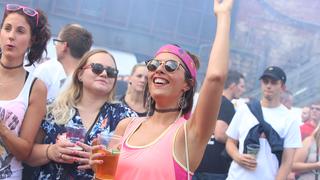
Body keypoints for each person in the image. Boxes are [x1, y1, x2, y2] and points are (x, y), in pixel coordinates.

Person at [90, 0, 234, 179]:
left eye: (171, 65)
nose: (159, 69)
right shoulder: (126, 126)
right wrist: (98, 170)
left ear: (187, 84)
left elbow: (215, 78)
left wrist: (223, 15)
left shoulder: (188, 134)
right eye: (154, 64)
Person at [24, 49, 137, 179]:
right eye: (97, 68)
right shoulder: (52, 109)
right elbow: (25, 154)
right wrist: (50, 151)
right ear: (80, 74)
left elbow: (135, 166)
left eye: (111, 72)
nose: (104, 74)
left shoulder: (126, 117)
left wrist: (100, 162)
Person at [0, 3, 50, 179]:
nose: (11, 36)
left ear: (32, 40)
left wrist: (3, 129)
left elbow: (24, 151)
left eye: (20, 31)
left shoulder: (35, 87)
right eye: (7, 28)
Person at [225, 66, 302, 180]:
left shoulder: (290, 119)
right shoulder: (244, 110)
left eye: (274, 82)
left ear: (283, 87)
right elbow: (230, 142)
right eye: (265, 82)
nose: (268, 86)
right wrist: (237, 156)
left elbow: (287, 162)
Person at [194, 70, 245, 180]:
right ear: (232, 86)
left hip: (199, 164)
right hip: (215, 170)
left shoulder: (208, 101)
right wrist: (238, 139)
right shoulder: (226, 104)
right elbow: (220, 134)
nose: (243, 90)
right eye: (241, 86)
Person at [33, 23, 93, 103]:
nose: (56, 46)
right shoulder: (90, 80)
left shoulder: (46, 68)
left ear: (64, 46)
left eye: (57, 41)